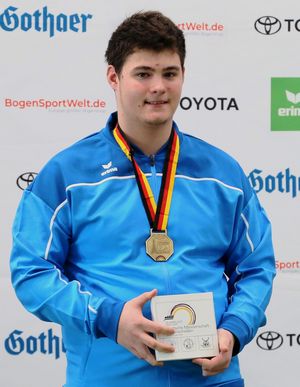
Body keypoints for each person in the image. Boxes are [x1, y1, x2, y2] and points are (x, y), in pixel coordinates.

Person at [10, 11, 275, 387]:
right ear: (113, 77)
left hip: (210, 380)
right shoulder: (66, 175)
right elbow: (31, 272)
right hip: (107, 378)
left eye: (170, 73)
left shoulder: (223, 173)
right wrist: (109, 318)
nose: (159, 87)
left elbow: (257, 268)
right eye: (143, 74)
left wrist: (233, 330)